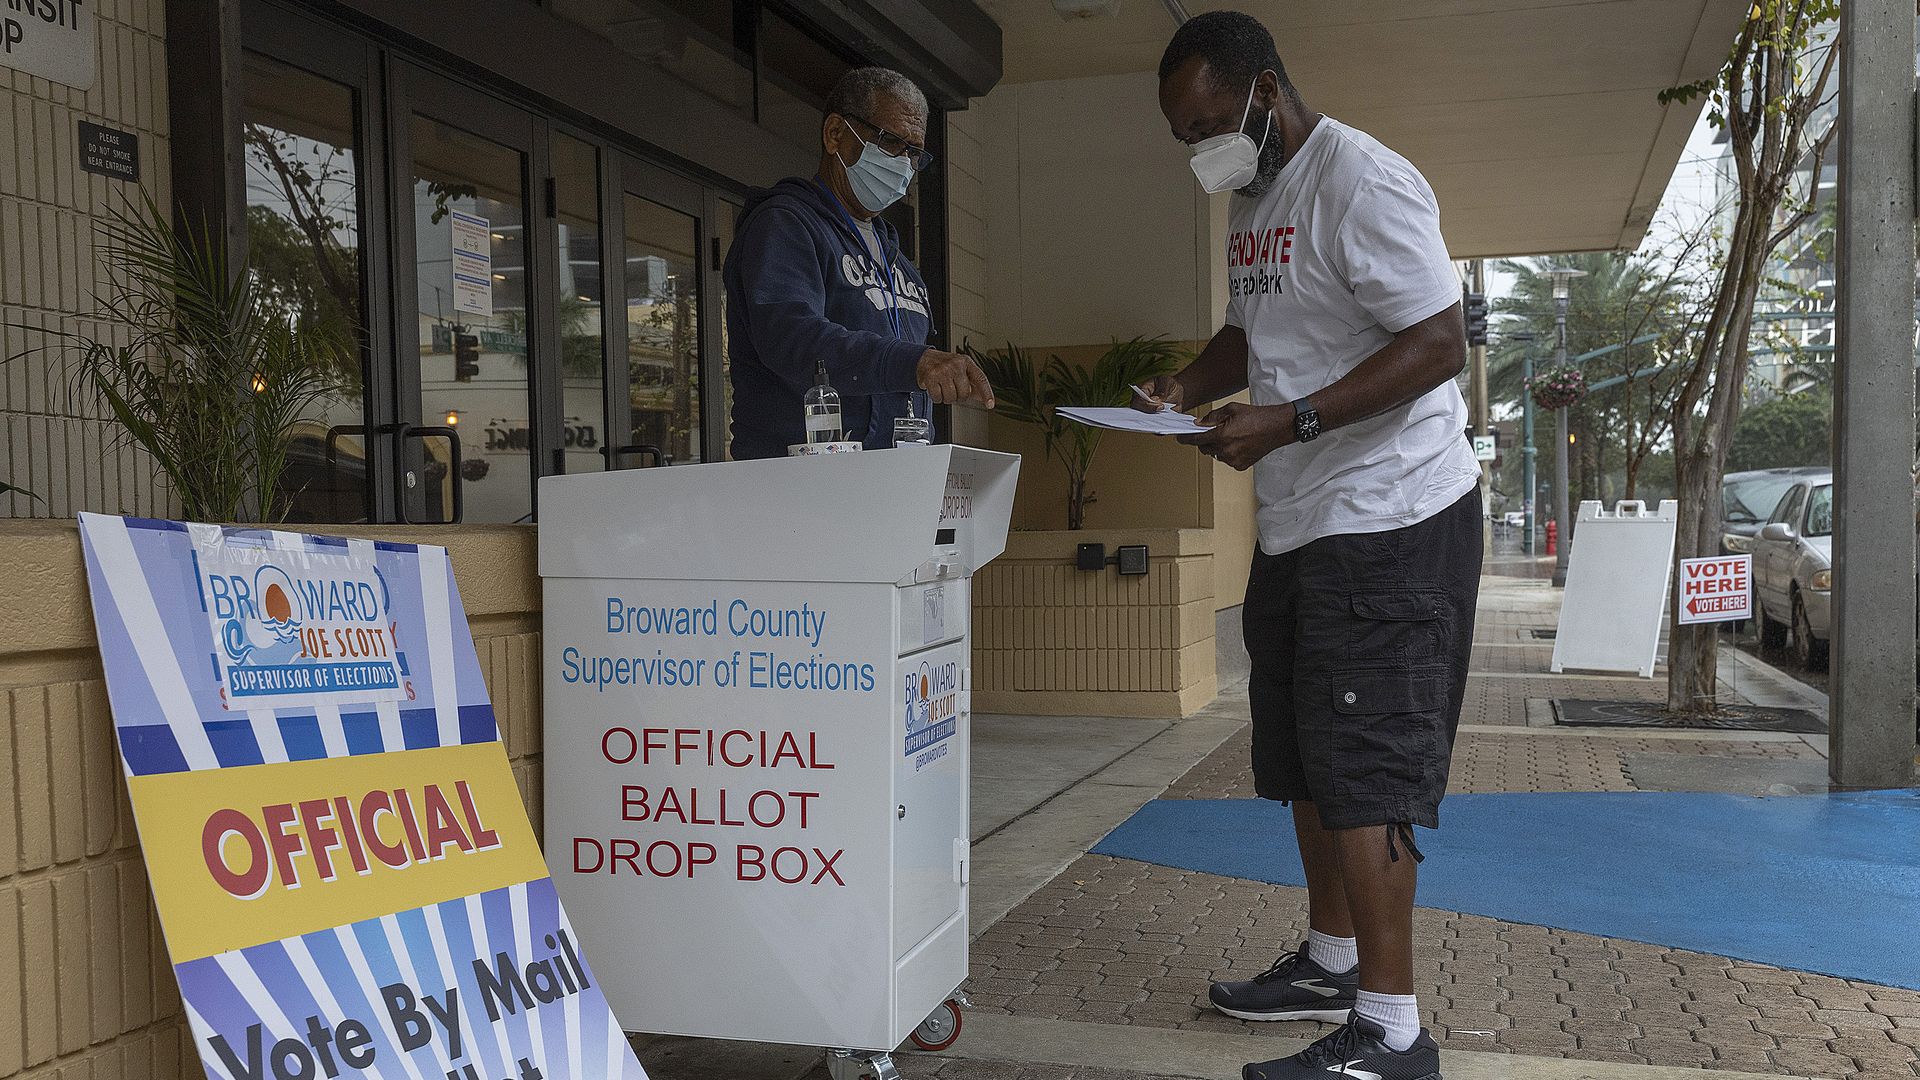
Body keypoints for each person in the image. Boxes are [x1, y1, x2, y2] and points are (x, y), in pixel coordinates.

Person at [1138, 12, 1481, 1080]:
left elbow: (1439, 339)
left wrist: (1290, 422)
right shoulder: (1260, 197)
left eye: (1211, 126)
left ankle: (1392, 1033)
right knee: (1304, 757)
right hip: (1300, 520)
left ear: (1265, 93)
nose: (1204, 152)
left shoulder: (1362, 181)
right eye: (1185, 137)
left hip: (1391, 517)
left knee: (1367, 766)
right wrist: (1186, 389)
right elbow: (1257, 324)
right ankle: (1333, 962)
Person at [724, 67, 993, 459]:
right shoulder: (785, 226)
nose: (903, 163)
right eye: (890, 143)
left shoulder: (900, 265)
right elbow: (792, 337)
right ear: (836, 134)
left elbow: (901, 378)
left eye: (914, 152)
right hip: (801, 490)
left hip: (890, 483)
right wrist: (913, 362)